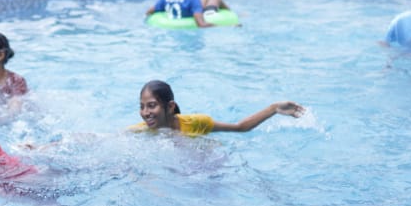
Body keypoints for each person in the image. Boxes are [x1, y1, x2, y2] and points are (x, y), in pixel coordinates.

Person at [130, 79, 305, 136]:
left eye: (151, 106)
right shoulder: (139, 132)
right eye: (142, 107)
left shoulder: (196, 123)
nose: (145, 113)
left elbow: (239, 127)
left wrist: (273, 109)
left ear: (170, 106)